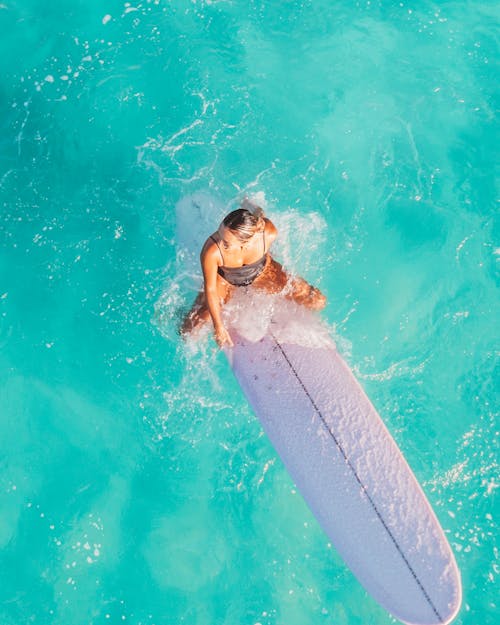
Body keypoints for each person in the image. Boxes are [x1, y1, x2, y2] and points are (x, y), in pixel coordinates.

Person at [181, 200, 326, 347]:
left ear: (246, 241)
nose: (219, 242)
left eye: (226, 242)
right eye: (219, 234)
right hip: (225, 278)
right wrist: (219, 327)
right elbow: (211, 288)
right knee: (192, 328)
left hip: (261, 271)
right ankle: (179, 316)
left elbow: (259, 217)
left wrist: (250, 206)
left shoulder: (267, 233)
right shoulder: (212, 251)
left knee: (316, 301)